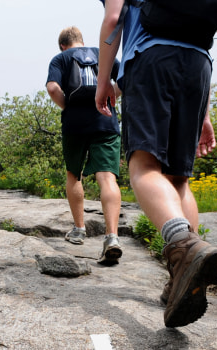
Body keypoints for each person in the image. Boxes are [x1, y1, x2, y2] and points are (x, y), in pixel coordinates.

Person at [95, 1, 217, 327]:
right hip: (199, 66)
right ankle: (181, 278)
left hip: (152, 59)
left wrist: (103, 82)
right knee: (179, 179)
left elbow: (114, 18)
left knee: (144, 167)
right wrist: (206, 114)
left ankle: (183, 246)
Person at [46, 26, 123, 265]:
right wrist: (110, 99)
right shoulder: (104, 54)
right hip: (106, 120)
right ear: (81, 41)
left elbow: (52, 87)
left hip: (74, 124)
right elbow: (127, 79)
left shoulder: (60, 59)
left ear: (62, 45)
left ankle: (79, 230)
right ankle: (111, 237)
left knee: (74, 175)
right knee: (107, 178)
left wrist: (67, 107)